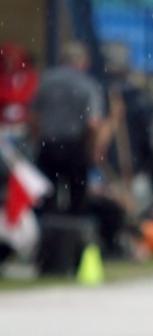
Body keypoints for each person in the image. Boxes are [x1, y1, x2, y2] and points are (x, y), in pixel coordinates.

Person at [27, 42, 105, 215]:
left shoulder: (45, 80)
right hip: (74, 149)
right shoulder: (88, 85)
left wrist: (36, 142)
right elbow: (93, 124)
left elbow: (33, 117)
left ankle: (45, 237)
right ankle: (72, 238)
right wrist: (93, 151)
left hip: (47, 146)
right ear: (83, 62)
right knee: (77, 203)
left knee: (46, 200)